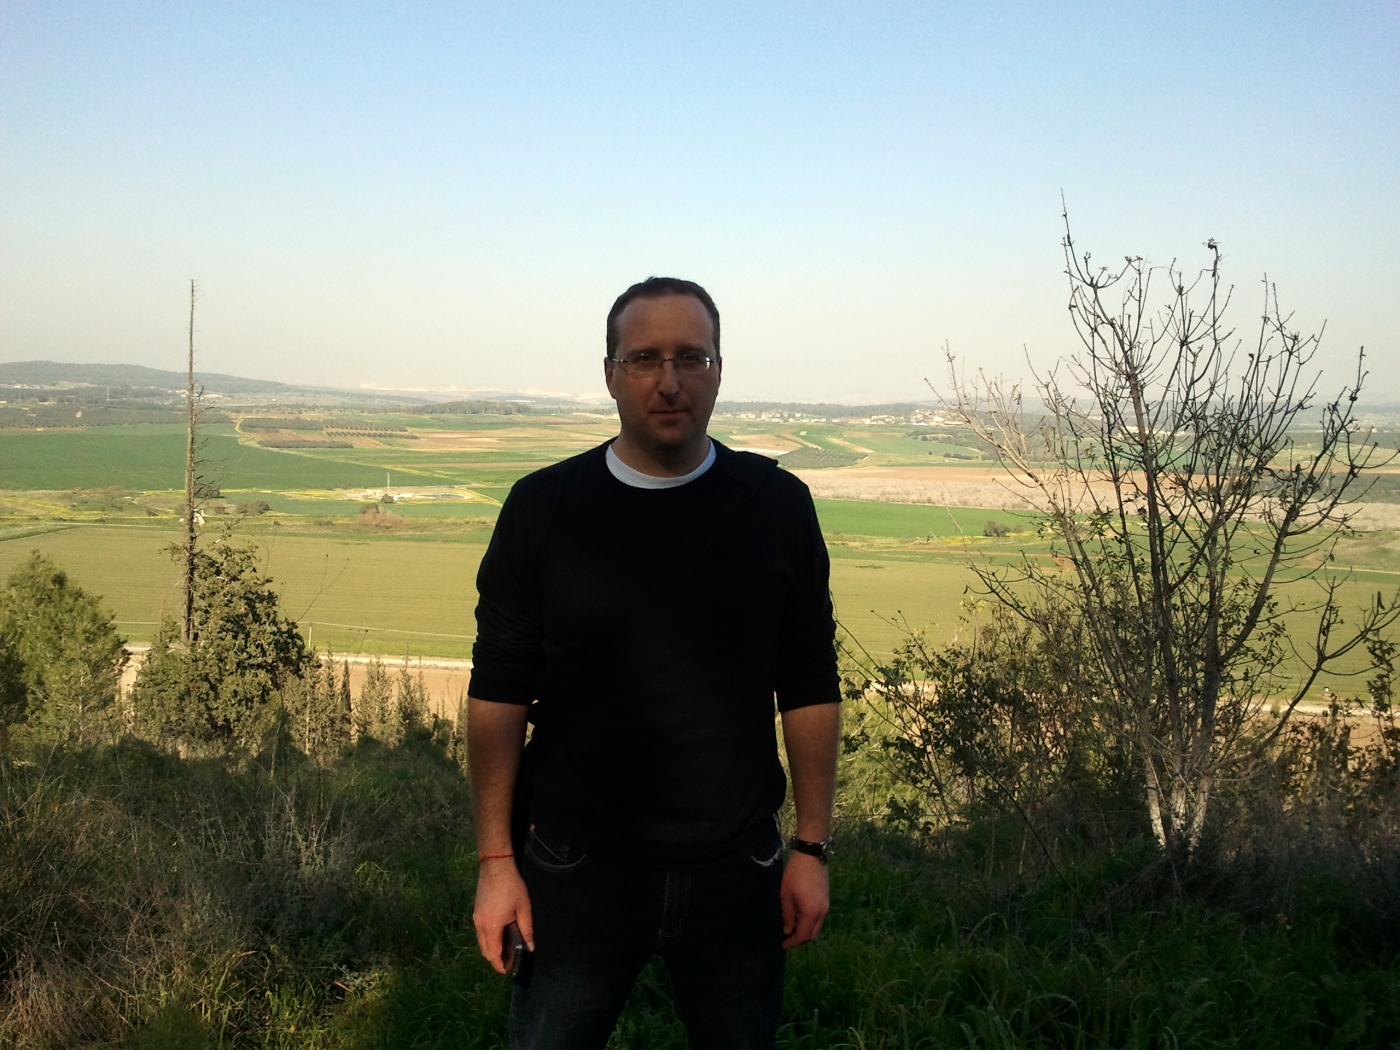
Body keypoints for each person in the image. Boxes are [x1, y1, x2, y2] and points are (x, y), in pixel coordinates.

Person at [467, 276, 841, 1050]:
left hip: (738, 866)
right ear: (610, 373)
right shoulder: (544, 508)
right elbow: (499, 691)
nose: (669, 381)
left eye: (691, 358)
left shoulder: (775, 506)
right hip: (576, 865)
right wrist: (497, 861)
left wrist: (810, 847)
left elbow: (808, 683)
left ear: (718, 371)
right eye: (644, 358)